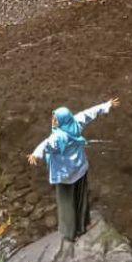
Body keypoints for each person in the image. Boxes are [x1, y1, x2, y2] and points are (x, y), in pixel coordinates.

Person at [27, 97, 120, 241]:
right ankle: (82, 225)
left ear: (62, 121)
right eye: (53, 118)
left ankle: (69, 233)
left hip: (65, 176)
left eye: (56, 119)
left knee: (66, 203)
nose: (53, 121)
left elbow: (47, 144)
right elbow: (90, 113)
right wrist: (107, 105)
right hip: (80, 168)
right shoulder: (76, 122)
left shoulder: (58, 137)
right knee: (80, 197)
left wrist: (36, 154)